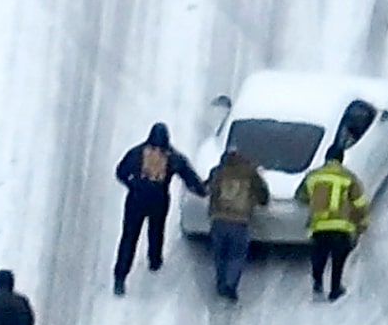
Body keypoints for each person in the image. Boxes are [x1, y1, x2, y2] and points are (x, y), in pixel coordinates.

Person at [112, 123, 205, 295]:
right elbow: (188, 176)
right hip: (159, 200)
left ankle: (120, 277)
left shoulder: (137, 152)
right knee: (156, 231)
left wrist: (132, 184)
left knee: (129, 238)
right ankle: (154, 260)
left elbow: (120, 172)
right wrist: (203, 191)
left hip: (136, 199)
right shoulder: (172, 156)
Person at [297, 143, 370, 300]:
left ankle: (317, 282)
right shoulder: (349, 177)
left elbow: (301, 196)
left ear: (326, 158)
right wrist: (362, 222)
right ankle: (335, 289)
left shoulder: (313, 175)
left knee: (319, 255)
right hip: (341, 227)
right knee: (338, 259)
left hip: (318, 226)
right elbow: (359, 203)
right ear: (341, 159)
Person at [204, 146, 270, 301]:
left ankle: (220, 283)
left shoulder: (217, 172)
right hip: (240, 221)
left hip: (218, 219)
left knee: (220, 254)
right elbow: (263, 196)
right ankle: (231, 284)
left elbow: (208, 189)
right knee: (236, 255)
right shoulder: (250, 172)